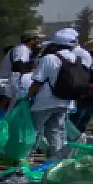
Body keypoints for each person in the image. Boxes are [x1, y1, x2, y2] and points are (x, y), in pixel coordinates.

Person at [28, 27, 90, 160]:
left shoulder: (50, 58)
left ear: (55, 44)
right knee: (56, 132)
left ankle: (27, 158)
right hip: (66, 102)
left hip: (44, 102)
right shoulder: (77, 59)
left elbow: (37, 82)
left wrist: (28, 96)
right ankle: (56, 160)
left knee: (35, 130)